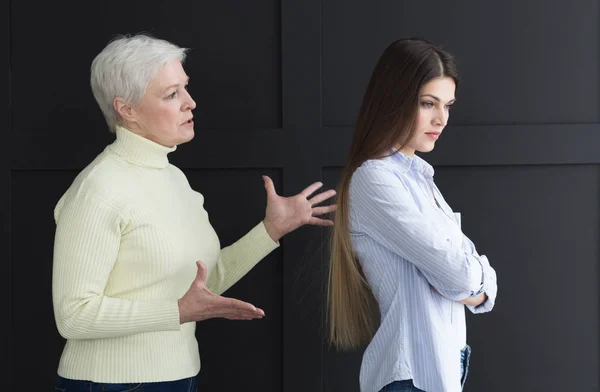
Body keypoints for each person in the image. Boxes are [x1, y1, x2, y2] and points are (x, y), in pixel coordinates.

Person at [52, 33, 337, 392]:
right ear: (127, 109)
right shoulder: (97, 188)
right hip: (110, 383)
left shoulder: (174, 179)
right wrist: (177, 312)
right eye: (172, 94)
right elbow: (73, 316)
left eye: (185, 88)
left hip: (181, 376)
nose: (191, 102)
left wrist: (270, 230)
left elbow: (201, 285)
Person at [327, 38, 498, 392]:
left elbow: (467, 278)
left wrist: (473, 283)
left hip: (443, 370)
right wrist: (472, 281)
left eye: (447, 105)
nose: (442, 119)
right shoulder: (374, 178)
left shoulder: (420, 178)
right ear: (394, 100)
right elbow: (457, 273)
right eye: (428, 104)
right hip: (411, 377)